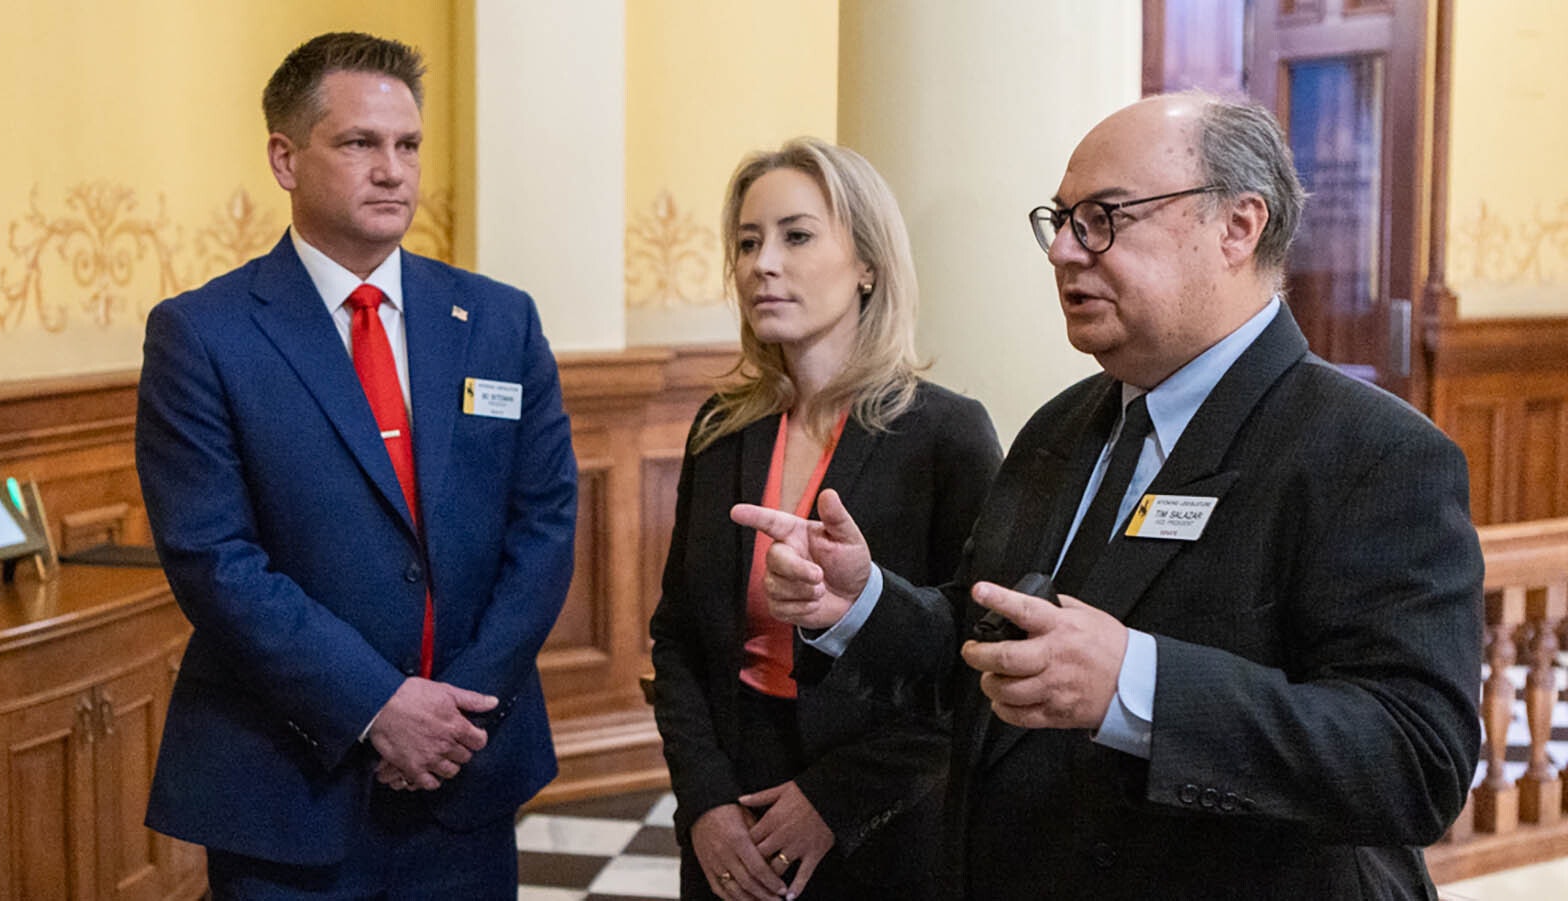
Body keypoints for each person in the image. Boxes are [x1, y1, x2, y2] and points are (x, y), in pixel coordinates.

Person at [733, 93, 1482, 900]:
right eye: (1058, 219)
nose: (1061, 249)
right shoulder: (1064, 422)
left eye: (1102, 217)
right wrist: (860, 602)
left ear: (1239, 226)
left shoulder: (1373, 453)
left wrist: (1138, 683)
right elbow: (988, 640)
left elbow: (1416, 757)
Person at [135, 32, 576, 898]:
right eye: (359, 143)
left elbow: (546, 523)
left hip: (468, 774)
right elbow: (215, 560)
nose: (393, 170)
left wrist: (454, 715)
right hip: (288, 783)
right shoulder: (204, 334)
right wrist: (380, 705)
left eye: (408, 145)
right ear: (285, 158)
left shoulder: (498, 320)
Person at [650, 137, 1001, 901]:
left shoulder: (947, 434)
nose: (761, 264)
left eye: (796, 235)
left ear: (868, 264)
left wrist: (834, 804)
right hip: (731, 800)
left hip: (883, 817)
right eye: (747, 242)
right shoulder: (721, 426)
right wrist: (705, 802)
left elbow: (974, 663)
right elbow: (676, 634)